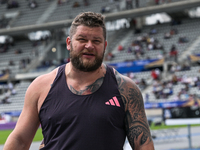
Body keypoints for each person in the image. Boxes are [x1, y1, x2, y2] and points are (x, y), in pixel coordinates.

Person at [3, 12, 154, 150]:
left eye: (96, 41)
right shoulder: (41, 86)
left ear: (105, 46)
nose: (89, 45)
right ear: (69, 43)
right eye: (82, 39)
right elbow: (20, 140)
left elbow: (143, 145)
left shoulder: (126, 89)